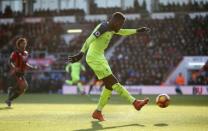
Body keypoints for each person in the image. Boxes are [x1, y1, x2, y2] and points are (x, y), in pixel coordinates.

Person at [68, 12, 150, 121]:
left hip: (100, 57)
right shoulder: (103, 27)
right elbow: (89, 39)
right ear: (115, 21)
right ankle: (135, 102)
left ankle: (98, 112)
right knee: (114, 82)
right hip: (94, 58)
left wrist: (137, 30)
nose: (121, 27)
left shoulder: (112, 28)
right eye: (120, 24)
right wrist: (81, 53)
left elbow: (123, 32)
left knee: (109, 86)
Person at [5, 37, 37, 107]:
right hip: (15, 73)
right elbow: (10, 61)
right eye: (22, 43)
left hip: (22, 73)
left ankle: (10, 97)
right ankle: (10, 94)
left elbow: (25, 64)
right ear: (19, 44)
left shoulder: (26, 53)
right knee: (24, 86)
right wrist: (14, 67)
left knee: (23, 89)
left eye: (25, 43)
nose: (24, 44)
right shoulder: (15, 53)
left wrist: (32, 67)